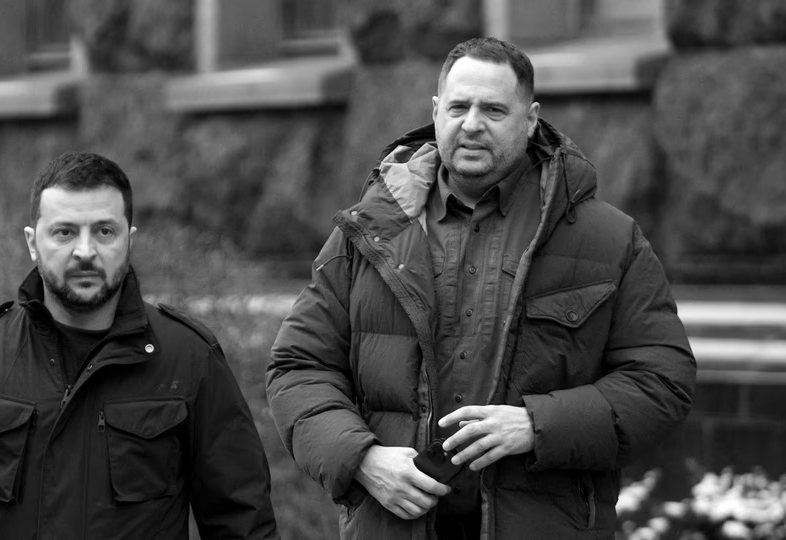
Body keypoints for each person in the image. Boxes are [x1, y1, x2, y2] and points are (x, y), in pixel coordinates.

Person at [266, 37, 696, 539]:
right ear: (436, 111)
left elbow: (662, 381)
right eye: (459, 107)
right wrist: (362, 459)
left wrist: (537, 425)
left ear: (530, 120)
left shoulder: (608, 240)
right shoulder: (367, 233)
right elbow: (298, 366)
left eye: (493, 109)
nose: (472, 124)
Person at [0, 152, 279, 539]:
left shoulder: (189, 359)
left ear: (129, 240)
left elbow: (241, 514)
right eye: (65, 232)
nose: (85, 252)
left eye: (104, 231)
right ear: (32, 242)